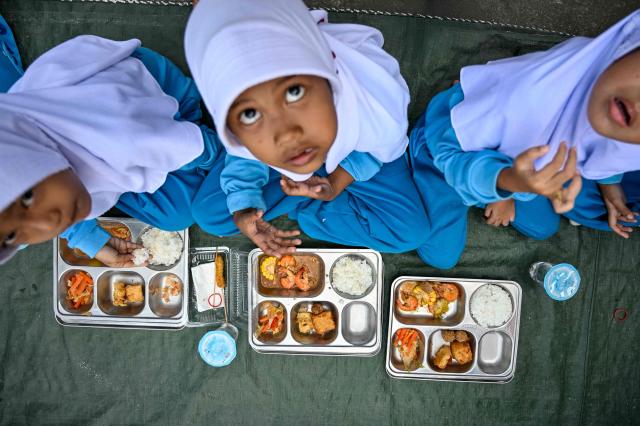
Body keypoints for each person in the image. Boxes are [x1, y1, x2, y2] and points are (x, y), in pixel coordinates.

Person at [183, 0, 433, 260]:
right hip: (285, 165)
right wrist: (244, 205)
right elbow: (244, 153)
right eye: (249, 114)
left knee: (408, 231)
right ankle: (302, 194)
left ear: (326, 72)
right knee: (212, 215)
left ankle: (303, 203)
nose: (287, 135)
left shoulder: (373, 99)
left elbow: (377, 151)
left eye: (294, 92)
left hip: (357, 153)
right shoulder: (235, 91)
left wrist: (336, 183)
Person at [409, 9, 640, 267]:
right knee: (442, 257)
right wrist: (506, 186)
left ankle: (487, 187)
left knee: (544, 227)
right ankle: (455, 108)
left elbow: (610, 148)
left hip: (511, 171)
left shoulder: (621, 122)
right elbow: (452, 157)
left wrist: (610, 186)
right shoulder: (525, 99)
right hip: (448, 149)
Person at [0, 35, 221, 266]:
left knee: (203, 208)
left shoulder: (122, 137)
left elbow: (191, 145)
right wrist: (89, 239)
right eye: (12, 236)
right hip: (103, 154)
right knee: (176, 215)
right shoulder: (36, 166)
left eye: (27, 197)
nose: (49, 223)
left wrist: (222, 164)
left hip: (158, 108)